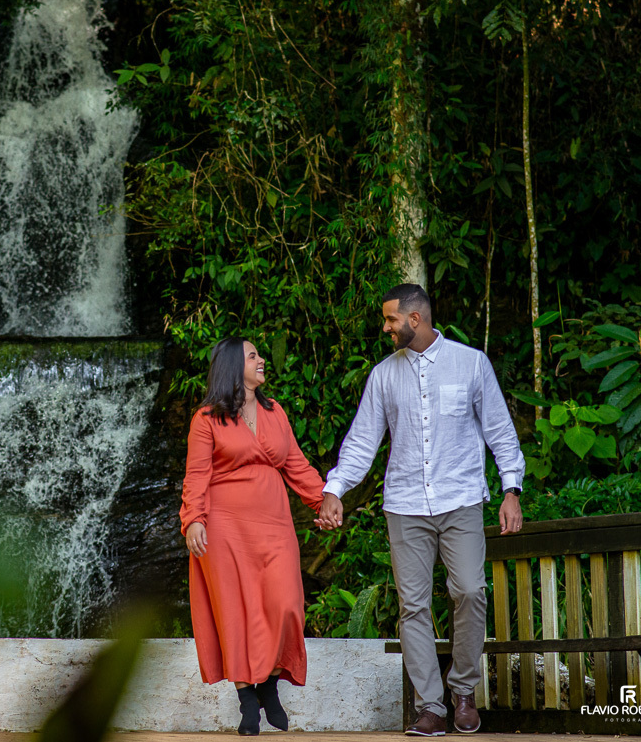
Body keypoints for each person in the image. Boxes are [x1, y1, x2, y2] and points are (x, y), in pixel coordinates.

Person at [316, 284, 525, 736]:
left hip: (460, 499)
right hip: (406, 505)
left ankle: (464, 693)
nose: (385, 328)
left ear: (415, 319)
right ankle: (431, 707)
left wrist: (512, 489)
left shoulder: (470, 363)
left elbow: (500, 431)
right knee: (413, 607)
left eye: (390, 320)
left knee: (469, 590)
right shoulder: (383, 375)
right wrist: (335, 488)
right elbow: (362, 442)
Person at [180, 336, 326, 736]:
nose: (262, 360)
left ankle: (270, 684)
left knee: (287, 605)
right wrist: (194, 519)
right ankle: (248, 698)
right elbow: (196, 476)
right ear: (232, 366)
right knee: (236, 613)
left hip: (274, 524)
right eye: (253, 356)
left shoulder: (274, 412)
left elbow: (296, 464)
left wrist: (324, 501)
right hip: (224, 528)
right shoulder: (207, 418)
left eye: (260, 354)